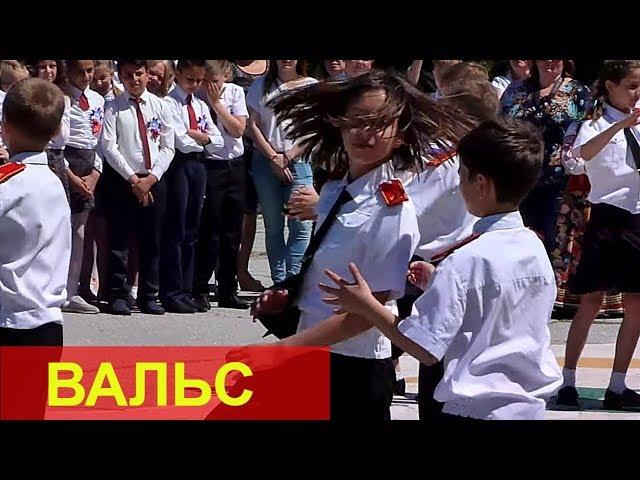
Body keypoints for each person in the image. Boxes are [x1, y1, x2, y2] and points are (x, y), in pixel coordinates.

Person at [250, 69, 470, 420]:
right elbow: (327, 262)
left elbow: (368, 312)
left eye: (379, 123)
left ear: (399, 135)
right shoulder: (339, 190)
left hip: (354, 368)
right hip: (315, 352)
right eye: (356, 120)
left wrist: (283, 351)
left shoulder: (391, 210)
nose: (364, 133)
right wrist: (290, 292)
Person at [318, 118, 563, 420]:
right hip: (528, 408)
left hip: (473, 410)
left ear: (481, 184)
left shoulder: (464, 261)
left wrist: (367, 305)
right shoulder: (534, 248)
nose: (460, 187)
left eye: (462, 178)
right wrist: (439, 283)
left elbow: (424, 347)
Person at [556, 60, 640, 410]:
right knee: (589, 303)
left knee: (636, 305)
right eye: (632, 85)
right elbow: (577, 159)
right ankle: (568, 381)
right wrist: (621, 125)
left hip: (637, 219)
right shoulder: (593, 124)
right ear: (610, 86)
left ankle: (618, 386)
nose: (637, 93)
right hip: (606, 217)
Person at [100, 59, 175, 315]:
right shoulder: (113, 108)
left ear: (147, 75)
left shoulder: (161, 106)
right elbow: (110, 147)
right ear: (120, 76)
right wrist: (133, 180)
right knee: (120, 239)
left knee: (152, 240)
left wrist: (151, 179)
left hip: (154, 180)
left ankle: (148, 294)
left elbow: (168, 146)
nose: (135, 80)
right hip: (124, 182)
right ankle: (118, 294)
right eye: (129, 75)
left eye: (139, 74)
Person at [0, 77, 71, 345]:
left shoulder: (8, 182)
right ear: (55, 133)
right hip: (48, 323)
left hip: (10, 322)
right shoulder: (53, 181)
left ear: (5, 126)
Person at [245, 60, 317, 284]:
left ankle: (292, 280)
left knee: (301, 225)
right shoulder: (260, 85)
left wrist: (287, 157)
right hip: (266, 161)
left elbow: (312, 128)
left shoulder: (311, 86)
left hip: (299, 160)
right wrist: (274, 158)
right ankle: (279, 282)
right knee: (273, 226)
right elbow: (254, 125)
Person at [161, 60, 224, 313]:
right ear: (177, 75)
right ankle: (172, 290)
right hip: (179, 165)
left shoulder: (199, 104)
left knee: (192, 230)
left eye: (198, 81)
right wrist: (203, 140)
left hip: (199, 165)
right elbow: (180, 139)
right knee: (176, 229)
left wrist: (202, 137)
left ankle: (187, 289)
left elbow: (219, 141)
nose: (194, 85)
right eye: (190, 80)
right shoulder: (169, 103)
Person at [192, 60, 251, 310]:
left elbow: (238, 129)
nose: (211, 87)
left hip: (234, 164)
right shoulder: (197, 96)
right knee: (210, 230)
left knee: (232, 231)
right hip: (211, 165)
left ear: (226, 76)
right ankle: (201, 287)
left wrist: (217, 104)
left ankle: (228, 287)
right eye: (207, 82)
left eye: (215, 82)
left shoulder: (235, 93)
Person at [232, 60, 269, 292]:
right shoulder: (227, 65)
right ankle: (223, 270)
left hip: (264, 146)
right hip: (232, 144)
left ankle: (242, 269)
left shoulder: (270, 66)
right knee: (229, 210)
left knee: (249, 212)